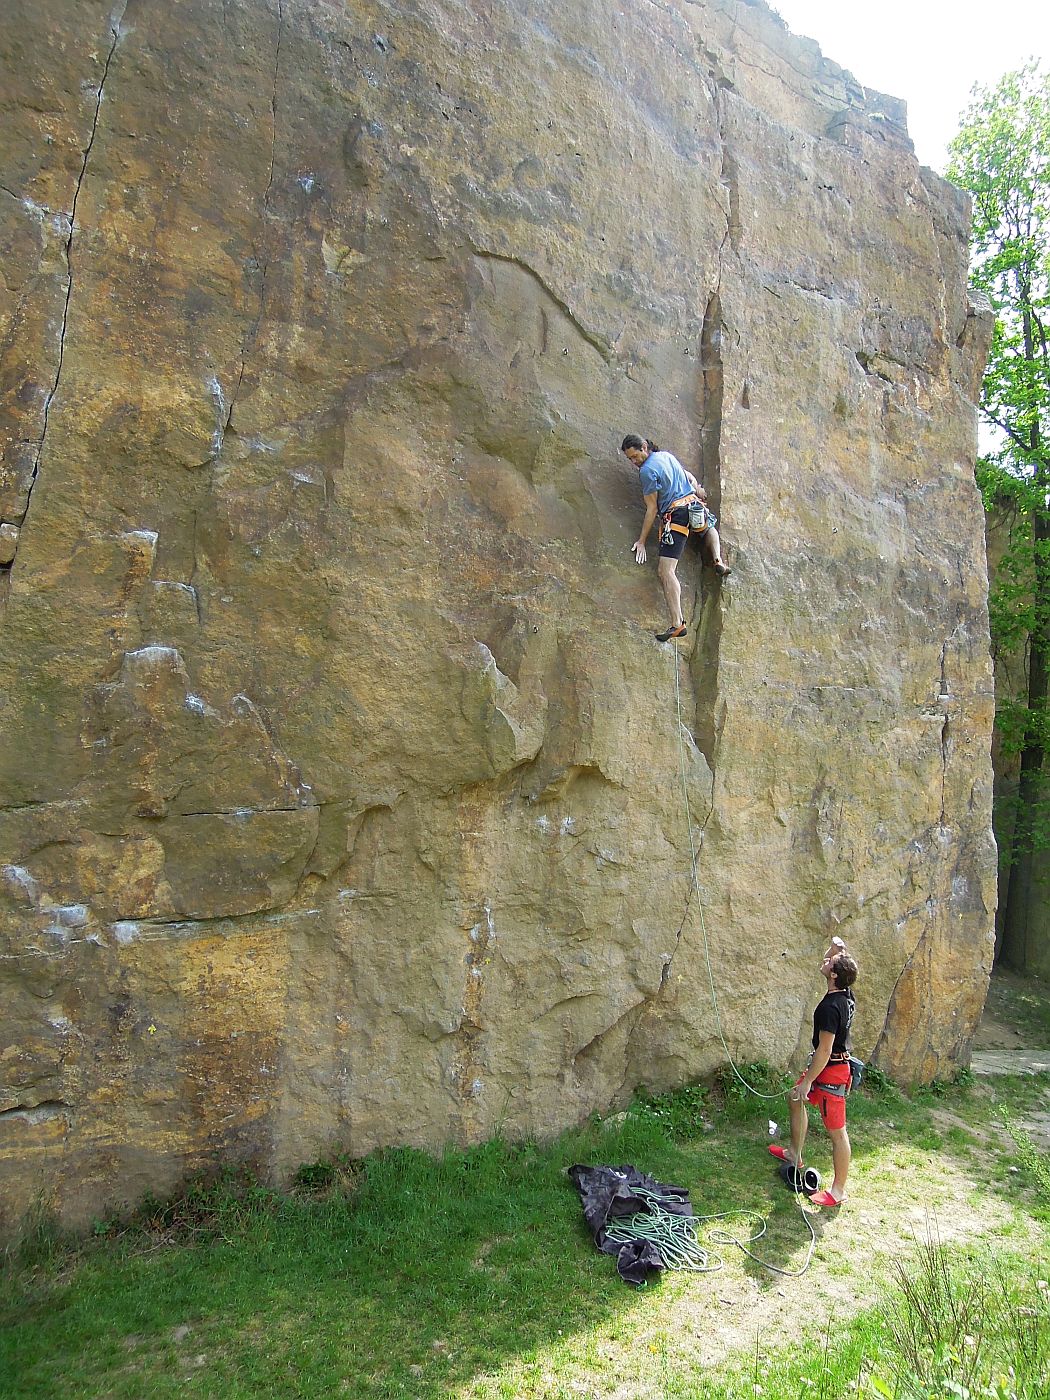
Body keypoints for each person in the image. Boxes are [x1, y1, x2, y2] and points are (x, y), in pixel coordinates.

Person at [768, 936, 858, 1207]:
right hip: (829, 1067)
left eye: (829, 961)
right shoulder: (845, 993)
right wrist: (837, 950)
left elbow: (825, 1050)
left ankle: (838, 1191)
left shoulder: (830, 1008)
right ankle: (794, 1153)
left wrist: (808, 1080)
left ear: (833, 974)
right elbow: (837, 960)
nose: (825, 960)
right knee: (794, 1098)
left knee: (836, 1131)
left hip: (831, 1071)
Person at [620, 435, 730, 643]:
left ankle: (677, 623)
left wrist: (642, 540)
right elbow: (687, 475)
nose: (634, 462)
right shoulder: (667, 456)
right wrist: (698, 489)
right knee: (709, 528)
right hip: (694, 505)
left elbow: (652, 508)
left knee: (666, 570)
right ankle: (718, 559)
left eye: (635, 456)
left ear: (644, 447)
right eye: (630, 459)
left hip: (676, 515)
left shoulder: (647, 471)